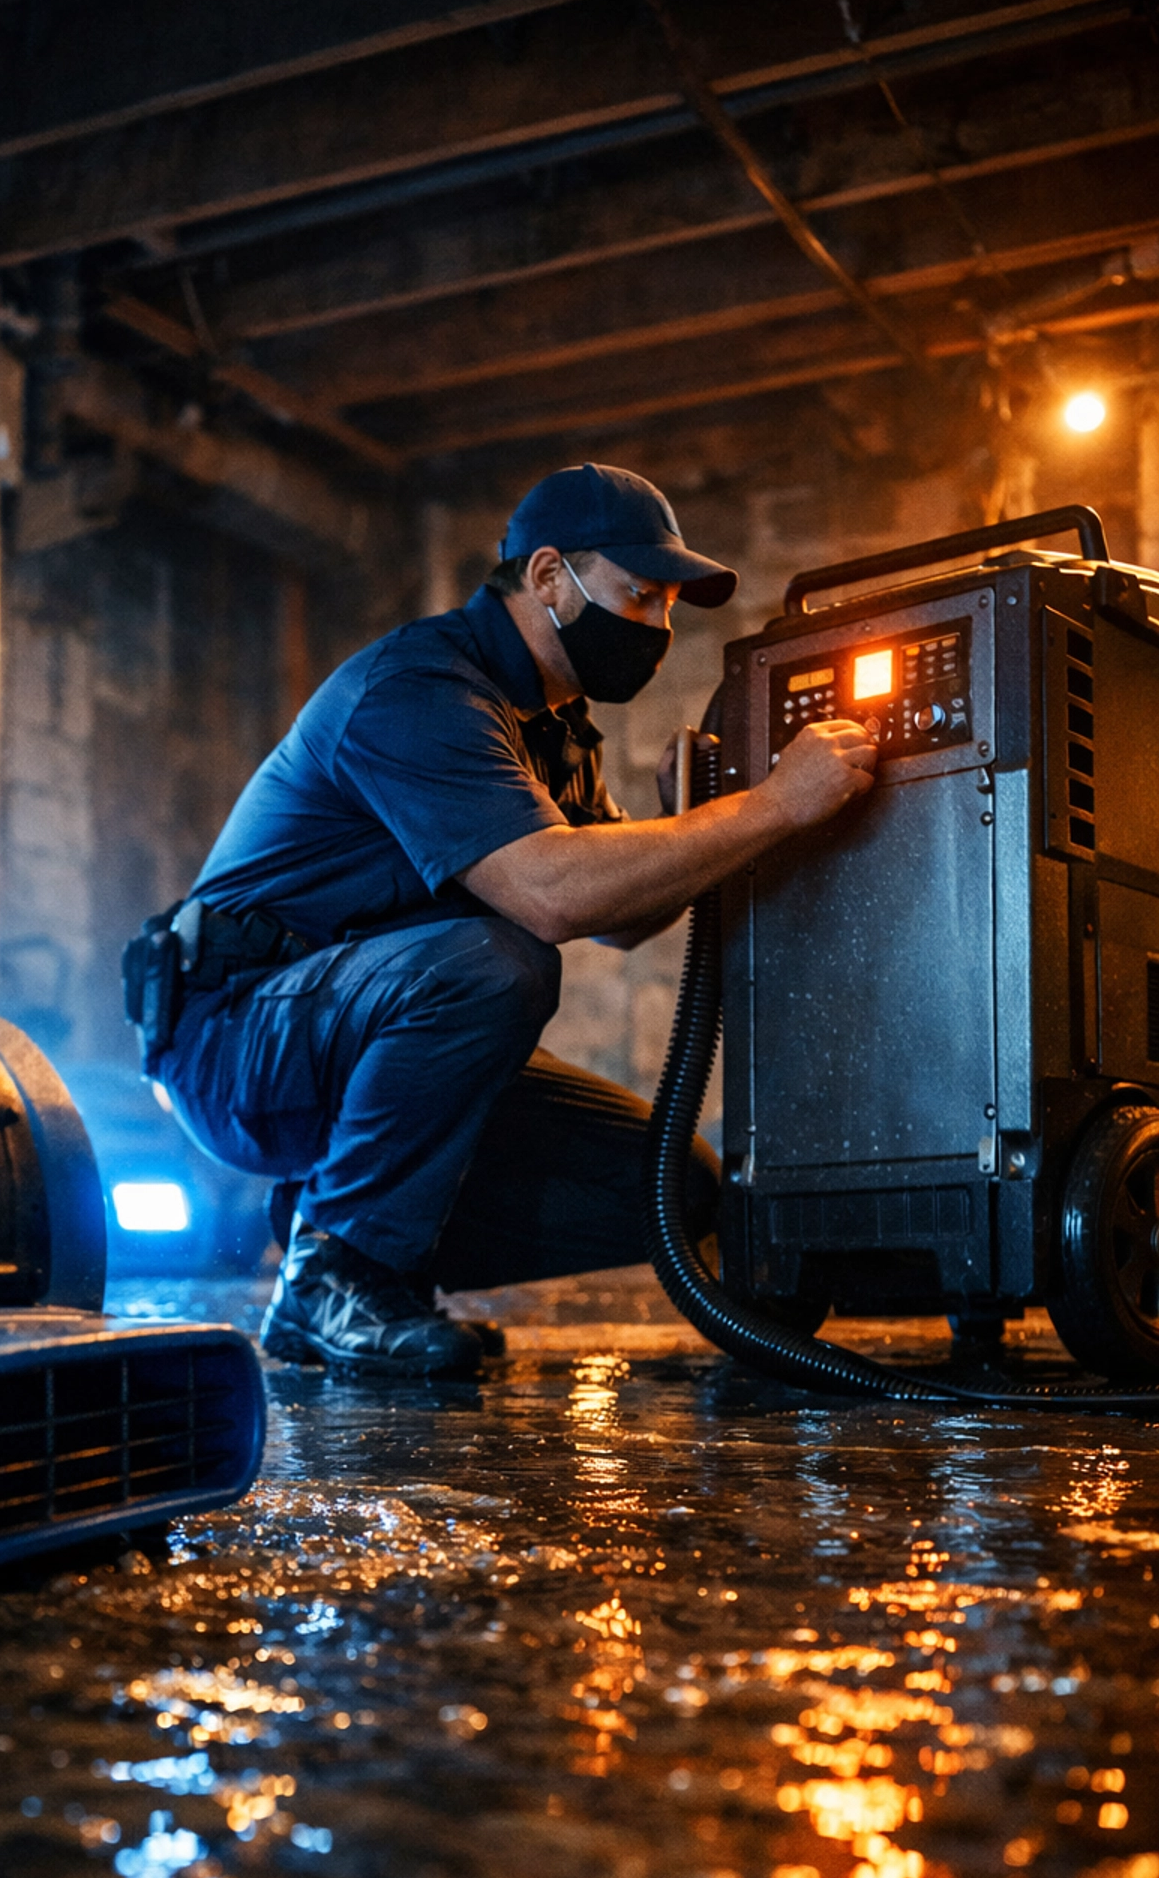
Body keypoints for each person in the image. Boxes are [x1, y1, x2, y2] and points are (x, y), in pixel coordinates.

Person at [127, 464, 875, 1377]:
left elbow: (620, 922)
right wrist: (773, 809)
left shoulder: (555, 727)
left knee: (676, 1189)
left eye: (671, 607)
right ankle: (339, 1272)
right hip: (236, 1037)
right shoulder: (421, 691)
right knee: (496, 962)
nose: (659, 628)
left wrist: (692, 828)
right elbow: (555, 898)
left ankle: (364, 1258)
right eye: (640, 597)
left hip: (358, 1030)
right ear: (550, 577)